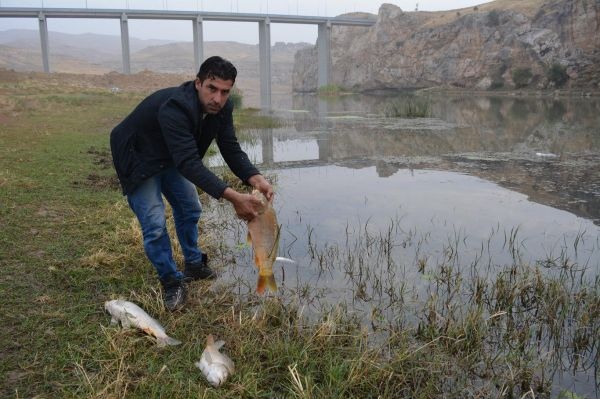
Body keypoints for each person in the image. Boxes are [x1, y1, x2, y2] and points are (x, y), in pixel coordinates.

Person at [110, 56, 273, 311]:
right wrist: (233, 197)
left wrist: (255, 177)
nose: (218, 98)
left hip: (170, 154)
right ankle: (171, 281)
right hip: (138, 157)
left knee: (190, 208)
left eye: (225, 92)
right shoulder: (175, 108)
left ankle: (194, 264)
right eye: (212, 88)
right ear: (198, 83)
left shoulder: (221, 108)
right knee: (153, 224)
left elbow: (229, 147)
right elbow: (188, 163)